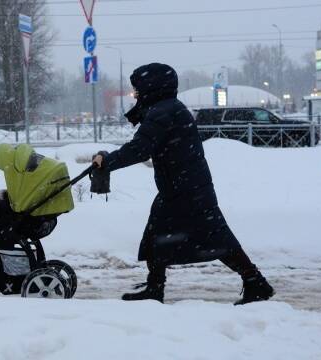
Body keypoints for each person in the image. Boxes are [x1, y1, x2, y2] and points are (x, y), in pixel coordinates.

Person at [92, 63, 274, 305]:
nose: (135, 94)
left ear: (152, 87)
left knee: (215, 237)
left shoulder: (163, 112)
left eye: (138, 89)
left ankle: (255, 282)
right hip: (183, 186)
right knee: (164, 234)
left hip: (186, 190)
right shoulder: (165, 108)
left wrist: (108, 160)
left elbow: (139, 149)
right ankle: (156, 287)